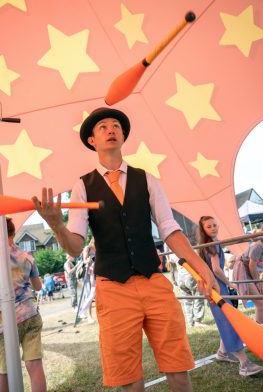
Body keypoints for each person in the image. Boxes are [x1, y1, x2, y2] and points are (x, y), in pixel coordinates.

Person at [32, 107, 219, 392]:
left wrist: (202, 267)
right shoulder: (82, 186)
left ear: (123, 135)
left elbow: (169, 228)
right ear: (92, 140)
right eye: (103, 126)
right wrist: (57, 227)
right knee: (130, 380)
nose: (110, 129)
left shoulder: (147, 179)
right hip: (113, 288)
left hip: (155, 282)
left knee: (178, 368)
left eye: (116, 125)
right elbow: (75, 246)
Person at [197, 215, 263, 377]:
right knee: (228, 322)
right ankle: (244, 364)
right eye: (209, 226)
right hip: (217, 288)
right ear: (203, 230)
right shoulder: (212, 245)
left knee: (224, 320)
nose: (213, 228)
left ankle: (222, 353)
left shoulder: (209, 244)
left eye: (214, 225)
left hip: (214, 287)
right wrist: (229, 283)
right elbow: (216, 269)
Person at [0, 218, 46, 392]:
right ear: (13, 232)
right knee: (34, 365)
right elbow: (38, 286)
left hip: (5, 321)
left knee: (4, 369)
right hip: (30, 315)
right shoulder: (27, 256)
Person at [233, 222, 263, 327]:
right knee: (261, 305)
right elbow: (252, 266)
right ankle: (260, 332)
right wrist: (257, 282)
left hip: (253, 275)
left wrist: (262, 282)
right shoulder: (259, 246)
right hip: (243, 272)